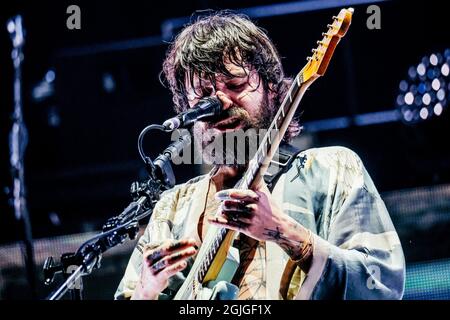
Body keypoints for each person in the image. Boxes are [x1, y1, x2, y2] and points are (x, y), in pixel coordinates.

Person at [115, 11, 405, 300]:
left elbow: (381, 287)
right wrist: (146, 290)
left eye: (236, 85)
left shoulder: (333, 169)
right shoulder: (172, 208)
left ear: (271, 90)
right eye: (203, 96)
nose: (220, 102)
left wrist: (285, 232)